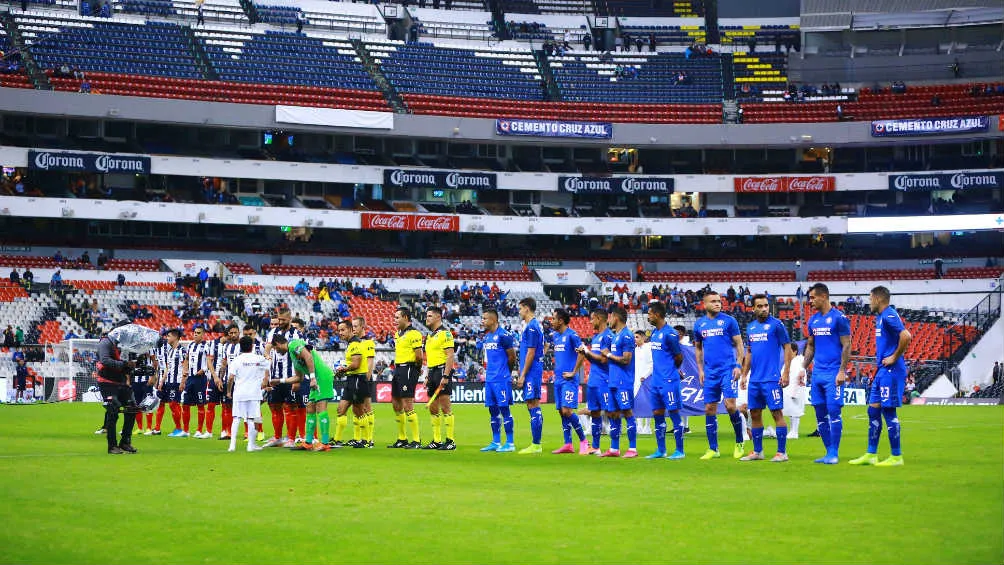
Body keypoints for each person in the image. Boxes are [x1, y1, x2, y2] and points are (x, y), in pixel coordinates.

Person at [850, 286, 913, 467]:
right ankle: (871, 454)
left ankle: (896, 456)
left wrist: (894, 357)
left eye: (870, 298)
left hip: (892, 370)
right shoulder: (880, 317)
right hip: (882, 370)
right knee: (873, 411)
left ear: (878, 299)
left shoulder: (889, 315)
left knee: (888, 411)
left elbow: (906, 336)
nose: (869, 302)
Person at [738, 295, 792, 462]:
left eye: (766, 305)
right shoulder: (751, 327)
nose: (764, 309)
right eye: (760, 306)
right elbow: (749, 352)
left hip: (772, 379)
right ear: (753, 308)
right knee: (754, 414)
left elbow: (787, 347)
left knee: (776, 413)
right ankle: (758, 451)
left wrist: (786, 372)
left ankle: (782, 452)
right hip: (755, 380)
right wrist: (744, 374)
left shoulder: (777, 325)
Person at [694, 290, 746, 460]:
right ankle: (713, 448)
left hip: (728, 370)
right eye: (713, 301)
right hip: (710, 372)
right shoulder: (699, 324)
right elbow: (698, 348)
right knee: (709, 408)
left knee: (730, 406)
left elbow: (739, 344)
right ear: (704, 304)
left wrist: (738, 365)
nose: (717, 303)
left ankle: (739, 442)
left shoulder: (729, 321)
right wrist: (700, 370)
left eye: (719, 301)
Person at [803, 283, 851, 464]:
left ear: (823, 296)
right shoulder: (813, 320)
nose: (810, 301)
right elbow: (811, 346)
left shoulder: (839, 318)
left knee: (833, 411)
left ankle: (834, 453)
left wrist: (842, 371)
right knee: (819, 413)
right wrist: (803, 368)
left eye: (813, 297)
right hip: (817, 374)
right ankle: (828, 452)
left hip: (833, 373)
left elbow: (847, 345)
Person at [270, 334, 333, 451]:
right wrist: (279, 381)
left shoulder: (294, 344)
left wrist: (313, 378)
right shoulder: (292, 354)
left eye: (275, 348)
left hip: (322, 377)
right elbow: (299, 377)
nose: (276, 351)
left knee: (321, 408)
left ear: (277, 344)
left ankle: (325, 443)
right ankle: (308, 442)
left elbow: (308, 357)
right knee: (310, 408)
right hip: (316, 378)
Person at [645, 302, 686, 460]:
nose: (648, 317)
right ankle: (661, 450)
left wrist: (672, 370)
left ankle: (680, 451)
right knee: (657, 413)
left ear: (657, 315)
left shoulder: (670, 334)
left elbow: (679, 357)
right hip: (656, 381)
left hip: (669, 380)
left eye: (650, 314)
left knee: (674, 413)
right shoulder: (654, 333)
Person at [549, 308, 587, 455]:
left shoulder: (572, 335)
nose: (551, 321)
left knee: (567, 410)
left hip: (569, 380)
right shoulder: (555, 336)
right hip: (558, 379)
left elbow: (582, 353)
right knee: (561, 411)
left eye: (553, 318)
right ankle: (568, 444)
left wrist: (574, 372)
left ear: (561, 321)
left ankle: (584, 441)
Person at [479, 309, 517, 453]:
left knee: (504, 409)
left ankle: (510, 442)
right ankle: (495, 442)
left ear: (493, 320)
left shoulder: (504, 335)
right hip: (490, 379)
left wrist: (506, 373)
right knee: (492, 410)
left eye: (485, 318)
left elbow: (512, 357)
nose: (482, 321)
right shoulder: (487, 337)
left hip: (501, 379)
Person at [263, 309, 302, 447]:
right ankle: (277, 437)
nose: (280, 322)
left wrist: (298, 379)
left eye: (283, 320)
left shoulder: (296, 334)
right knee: (275, 406)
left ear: (289, 319)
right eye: (278, 319)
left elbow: (300, 355)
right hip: (275, 376)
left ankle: (291, 438)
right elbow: (268, 347)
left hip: (290, 376)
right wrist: (267, 355)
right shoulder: (273, 332)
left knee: (291, 407)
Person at [97, 328, 139, 454]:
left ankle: (125, 442)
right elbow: (105, 360)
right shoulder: (105, 342)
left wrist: (132, 367)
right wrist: (125, 364)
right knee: (113, 410)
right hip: (107, 382)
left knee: (132, 408)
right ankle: (112, 446)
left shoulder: (120, 345)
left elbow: (122, 364)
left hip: (120, 381)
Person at [577, 309, 613, 455]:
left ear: (599, 318)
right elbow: (594, 359)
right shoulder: (596, 337)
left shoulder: (608, 336)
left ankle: (614, 447)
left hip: (605, 381)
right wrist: (585, 353)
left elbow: (604, 360)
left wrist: (587, 351)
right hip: (593, 380)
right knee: (595, 413)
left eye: (592, 319)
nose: (590, 322)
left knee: (611, 413)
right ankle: (596, 447)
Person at [603, 305, 637, 458]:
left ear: (616, 317)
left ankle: (632, 449)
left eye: (610, 317)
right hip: (614, 381)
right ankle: (614, 448)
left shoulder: (627, 335)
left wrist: (609, 355)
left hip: (624, 381)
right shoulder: (616, 335)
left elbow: (626, 360)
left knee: (627, 412)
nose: (608, 320)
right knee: (613, 414)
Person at [387, 308, 423, 449]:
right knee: (396, 403)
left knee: (408, 404)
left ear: (406, 317)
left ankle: (416, 440)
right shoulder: (397, 334)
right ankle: (402, 438)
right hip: (398, 369)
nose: (395, 320)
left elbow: (419, 355)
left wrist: (417, 369)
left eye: (397, 317)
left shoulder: (414, 333)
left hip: (408, 368)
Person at [226, 336, 269, 452]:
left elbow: (231, 378)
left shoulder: (236, 360)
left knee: (236, 418)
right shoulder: (258, 359)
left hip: (239, 392)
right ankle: (251, 445)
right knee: (251, 419)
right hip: (254, 393)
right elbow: (269, 365)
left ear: (240, 347)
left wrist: (229, 391)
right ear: (252, 346)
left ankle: (232, 446)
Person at [423, 306, 457, 450]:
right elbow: (429, 358)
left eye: (430, 316)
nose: (427, 318)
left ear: (438, 317)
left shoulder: (445, 334)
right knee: (433, 407)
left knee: (445, 406)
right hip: (432, 372)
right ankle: (436, 440)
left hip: (442, 370)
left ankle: (450, 441)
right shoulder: (429, 336)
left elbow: (450, 355)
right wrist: (427, 375)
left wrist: (446, 375)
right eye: (427, 316)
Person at [334, 320, 370, 448]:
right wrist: (343, 371)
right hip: (351, 379)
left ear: (350, 330)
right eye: (339, 330)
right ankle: (337, 439)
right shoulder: (350, 344)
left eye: (343, 330)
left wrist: (343, 369)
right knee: (341, 409)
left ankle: (366, 440)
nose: (340, 333)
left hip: (357, 379)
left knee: (358, 410)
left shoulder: (355, 344)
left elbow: (356, 364)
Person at [516, 297, 545, 454]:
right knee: (532, 404)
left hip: (531, 371)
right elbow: (545, 345)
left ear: (527, 308)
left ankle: (536, 444)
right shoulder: (534, 325)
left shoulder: (532, 327)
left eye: (520, 308)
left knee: (533, 404)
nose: (519, 312)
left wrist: (522, 375)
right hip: (534, 370)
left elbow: (531, 352)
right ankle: (536, 443)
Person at [209, 325, 241, 440]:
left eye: (235, 332)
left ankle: (247, 433)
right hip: (228, 381)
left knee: (242, 408)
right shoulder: (226, 346)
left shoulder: (243, 346)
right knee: (226, 406)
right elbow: (223, 364)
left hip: (240, 382)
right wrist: (220, 379)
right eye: (231, 333)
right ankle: (227, 432)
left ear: (239, 333)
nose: (233, 335)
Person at [179, 327, 212, 438]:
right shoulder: (190, 345)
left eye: (198, 333)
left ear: (203, 335)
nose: (195, 334)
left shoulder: (206, 346)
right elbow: (186, 359)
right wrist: (184, 372)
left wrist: (204, 369)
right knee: (185, 404)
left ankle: (199, 430)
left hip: (200, 379)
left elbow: (211, 360)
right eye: (195, 333)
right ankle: (186, 430)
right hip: (190, 378)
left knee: (200, 404)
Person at [155, 329, 185, 436]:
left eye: (168, 336)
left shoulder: (182, 350)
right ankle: (178, 429)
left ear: (175, 337)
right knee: (172, 404)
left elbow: (185, 367)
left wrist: (183, 382)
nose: (167, 338)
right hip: (169, 381)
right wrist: (162, 381)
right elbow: (168, 368)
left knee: (173, 404)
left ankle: (179, 429)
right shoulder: (171, 351)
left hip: (177, 381)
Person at [772, 343, 806, 439]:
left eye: (789, 351)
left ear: (795, 351)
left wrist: (795, 392)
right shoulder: (790, 362)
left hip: (795, 390)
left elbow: (799, 376)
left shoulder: (799, 361)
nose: (786, 353)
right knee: (791, 411)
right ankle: (792, 431)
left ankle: (794, 432)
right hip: (788, 390)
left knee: (795, 411)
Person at [353, 317, 377, 447]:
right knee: (356, 407)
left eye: (355, 326)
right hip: (355, 378)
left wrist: (365, 379)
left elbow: (370, 362)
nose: (353, 329)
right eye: (352, 326)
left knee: (366, 407)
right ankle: (357, 438)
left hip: (364, 378)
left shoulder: (368, 342)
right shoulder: (354, 342)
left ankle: (369, 439)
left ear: (362, 327)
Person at [132, 348, 156, 434]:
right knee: (137, 404)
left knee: (148, 403)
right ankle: (140, 428)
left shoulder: (149, 347)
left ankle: (149, 428)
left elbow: (154, 361)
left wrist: (153, 376)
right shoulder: (132, 347)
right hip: (135, 380)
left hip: (147, 379)